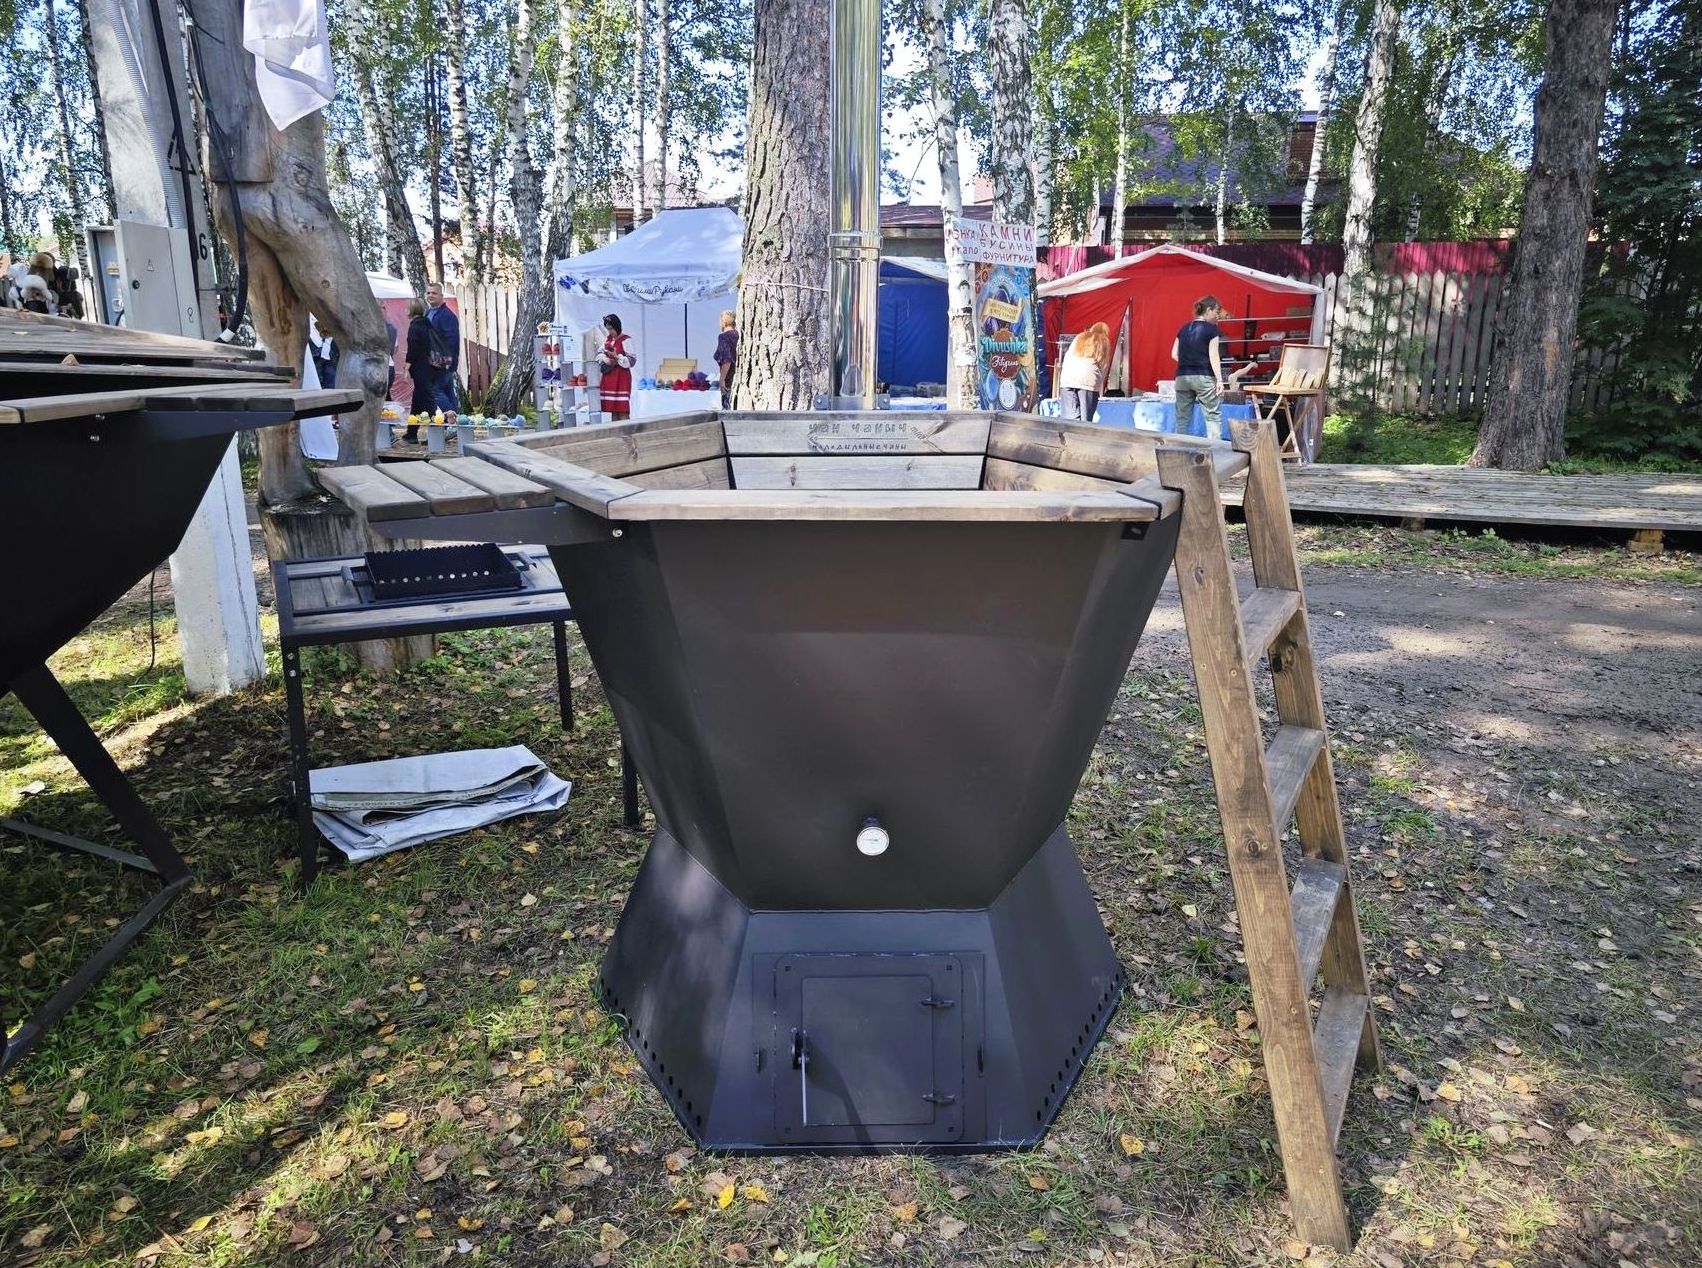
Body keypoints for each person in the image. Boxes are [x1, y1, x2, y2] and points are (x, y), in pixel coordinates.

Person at [1171, 295, 1235, 437]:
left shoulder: (1183, 328)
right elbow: (1214, 356)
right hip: (1204, 377)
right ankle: (1214, 447)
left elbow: (1174, 354)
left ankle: (1178, 447)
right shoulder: (1212, 330)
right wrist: (1220, 380)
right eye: (1216, 311)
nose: (1217, 315)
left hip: (1182, 377)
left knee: (1182, 417)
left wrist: (1188, 362)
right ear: (1208, 310)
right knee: (1212, 416)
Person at [1058, 321, 1111, 421]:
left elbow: (1067, 356)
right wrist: (1099, 386)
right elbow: (1103, 366)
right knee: (1085, 420)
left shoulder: (1080, 337)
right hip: (1088, 381)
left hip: (1068, 378)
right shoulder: (1103, 341)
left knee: (1069, 420)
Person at [424, 281, 460, 412]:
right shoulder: (428, 312)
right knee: (447, 392)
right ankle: (457, 421)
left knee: (434, 390)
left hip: (443, 362)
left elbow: (452, 341)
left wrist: (444, 361)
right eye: (428, 293)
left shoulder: (447, 315)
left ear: (441, 296)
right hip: (432, 361)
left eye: (434, 293)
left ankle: (451, 417)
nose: (430, 295)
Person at [404, 298, 435, 443]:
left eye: (407, 308)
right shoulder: (427, 324)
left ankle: (436, 432)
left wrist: (407, 367)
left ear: (412, 310)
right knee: (417, 401)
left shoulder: (415, 326)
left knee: (427, 401)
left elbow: (413, 349)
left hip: (420, 368)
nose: (405, 310)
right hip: (430, 366)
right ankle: (411, 432)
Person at [598, 313, 634, 420]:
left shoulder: (626, 340)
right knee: (613, 409)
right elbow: (599, 354)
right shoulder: (607, 340)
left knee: (622, 409)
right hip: (610, 378)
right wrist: (605, 359)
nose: (610, 332)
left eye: (611, 329)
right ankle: (615, 430)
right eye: (608, 329)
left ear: (617, 326)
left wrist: (617, 357)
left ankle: (626, 429)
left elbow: (632, 360)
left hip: (621, 378)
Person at [713, 309, 739, 406]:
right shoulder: (738, 335)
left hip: (729, 378)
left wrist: (722, 379)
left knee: (727, 407)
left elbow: (727, 359)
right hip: (740, 377)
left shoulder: (723, 337)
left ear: (724, 322)